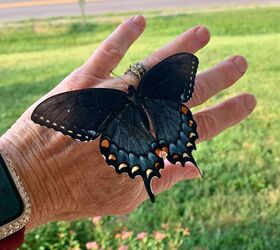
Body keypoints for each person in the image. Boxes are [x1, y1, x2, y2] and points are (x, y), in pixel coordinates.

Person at [0, 15, 256, 247]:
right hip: (160, 113)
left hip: (132, 126)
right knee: (171, 130)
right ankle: (174, 147)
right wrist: (32, 178)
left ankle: (159, 154)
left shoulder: (106, 101)